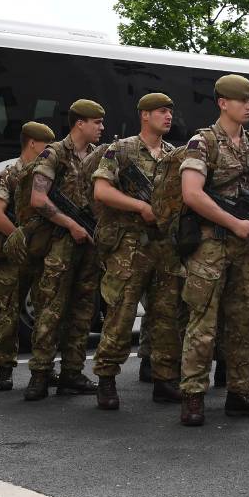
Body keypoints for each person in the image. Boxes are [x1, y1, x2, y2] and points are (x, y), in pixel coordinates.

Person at [178, 73, 249, 426]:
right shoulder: (202, 142)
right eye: (242, 100)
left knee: (243, 324)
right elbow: (192, 193)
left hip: (245, 249)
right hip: (211, 248)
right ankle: (192, 395)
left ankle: (240, 393)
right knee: (203, 325)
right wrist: (232, 222)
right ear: (223, 103)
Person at [91, 92, 186, 409]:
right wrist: (140, 207)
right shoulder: (121, 149)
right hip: (129, 247)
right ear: (144, 115)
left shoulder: (174, 154)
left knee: (166, 317)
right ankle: (106, 379)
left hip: (164, 248)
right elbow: (101, 190)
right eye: (161, 111)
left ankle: (163, 380)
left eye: (170, 112)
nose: (168, 116)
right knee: (120, 314)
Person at [23, 99, 105, 400]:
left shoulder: (99, 155)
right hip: (61, 242)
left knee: (83, 311)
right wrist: (71, 225)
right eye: (96, 122)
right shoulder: (54, 153)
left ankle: (72, 372)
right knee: (51, 309)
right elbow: (38, 199)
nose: (101, 127)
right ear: (79, 123)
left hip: (90, 243)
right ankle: (40, 374)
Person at [0, 121, 56, 391]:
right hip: (14, 256)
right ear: (32, 143)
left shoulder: (47, 175)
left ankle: (44, 368)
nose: (49, 151)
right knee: (8, 315)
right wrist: (17, 234)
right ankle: (5, 367)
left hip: (41, 253)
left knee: (46, 314)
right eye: (45, 145)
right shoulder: (9, 175)